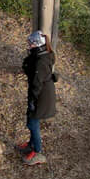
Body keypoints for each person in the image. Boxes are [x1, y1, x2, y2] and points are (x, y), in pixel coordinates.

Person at [18, 30, 57, 164]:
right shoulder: (42, 55)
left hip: (41, 96)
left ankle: (38, 151)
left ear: (38, 45)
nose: (29, 46)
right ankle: (31, 144)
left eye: (31, 44)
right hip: (41, 93)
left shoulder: (41, 62)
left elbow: (37, 84)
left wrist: (33, 100)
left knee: (32, 123)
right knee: (32, 121)